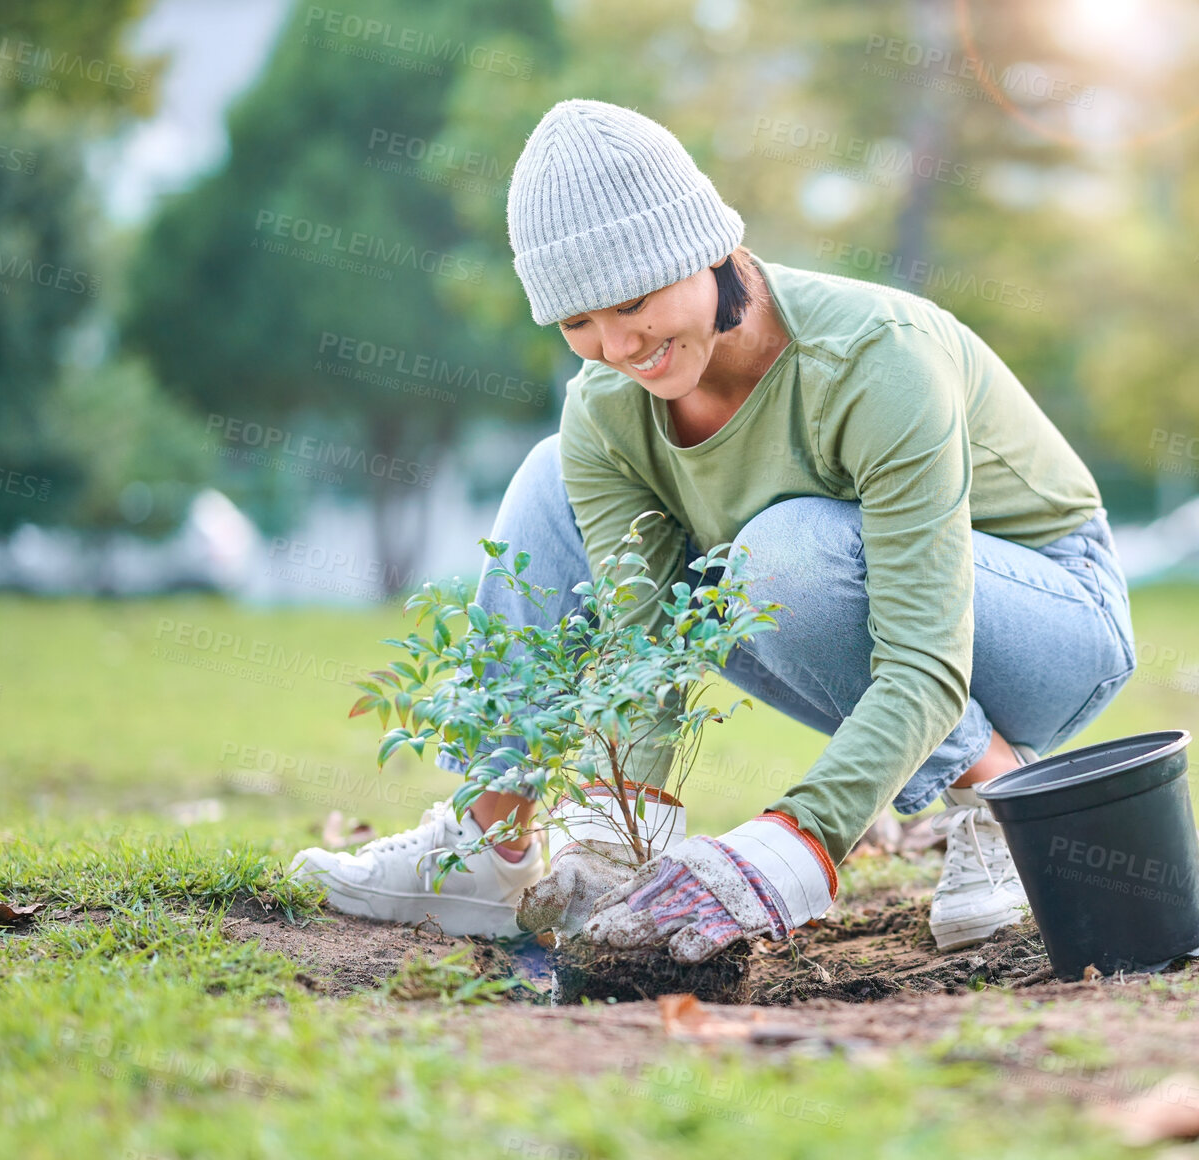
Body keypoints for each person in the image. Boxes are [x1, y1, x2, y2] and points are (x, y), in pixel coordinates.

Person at [290, 98, 1136, 959]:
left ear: (707, 251)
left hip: (1047, 622)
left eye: (631, 301)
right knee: (554, 475)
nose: (620, 346)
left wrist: (790, 844)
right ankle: (491, 838)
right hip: (821, 600)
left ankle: (1001, 799)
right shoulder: (611, 408)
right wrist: (616, 827)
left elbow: (927, 656)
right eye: (579, 322)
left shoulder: (878, 362)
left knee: (782, 554)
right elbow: (642, 633)